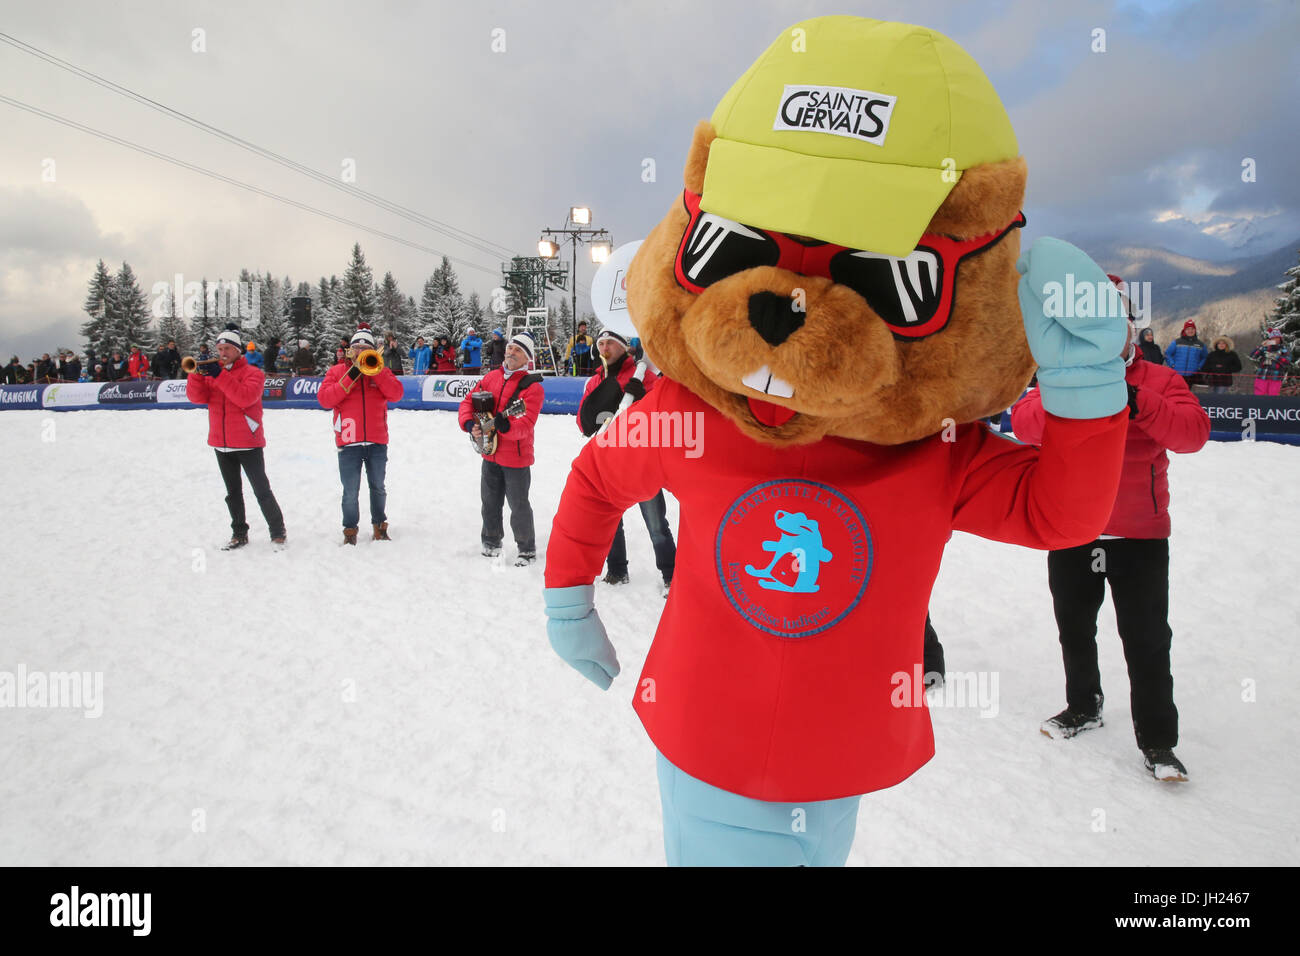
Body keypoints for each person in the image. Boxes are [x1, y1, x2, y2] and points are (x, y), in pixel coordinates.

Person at [1011, 304, 1210, 782]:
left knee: (1146, 641)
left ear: (1130, 333)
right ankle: (1084, 706)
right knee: (1075, 629)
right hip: (1073, 529)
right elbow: (1023, 425)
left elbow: (1192, 435)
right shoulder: (1062, 375)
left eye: (1114, 328)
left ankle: (1159, 743)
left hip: (1138, 534)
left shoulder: (1160, 379)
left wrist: (1137, 399)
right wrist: (1073, 390)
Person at [576, 329, 676, 592]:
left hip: (641, 462)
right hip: (607, 462)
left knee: (656, 524)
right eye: (601, 343)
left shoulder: (646, 376)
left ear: (624, 347)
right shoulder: (594, 381)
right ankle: (617, 570)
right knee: (610, 521)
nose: (604, 346)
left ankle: (671, 575)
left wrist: (640, 398)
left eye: (610, 342)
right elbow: (583, 423)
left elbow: (661, 415)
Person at [185, 324, 287, 550]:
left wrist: (219, 376)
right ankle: (239, 532)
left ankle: (277, 529)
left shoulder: (253, 373)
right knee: (232, 493)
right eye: (219, 349)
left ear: (238, 351)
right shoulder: (213, 373)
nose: (222, 353)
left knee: (261, 489)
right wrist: (195, 376)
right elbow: (196, 398)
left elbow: (244, 398)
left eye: (227, 349)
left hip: (247, 442)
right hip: (221, 443)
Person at [458, 333, 544, 566]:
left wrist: (506, 426)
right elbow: (468, 402)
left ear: (527, 358)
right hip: (489, 450)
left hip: (516, 456)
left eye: (518, 350)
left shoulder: (532, 387)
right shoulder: (490, 377)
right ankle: (491, 541)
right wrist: (470, 425)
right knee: (489, 501)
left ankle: (526, 549)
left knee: (518, 505)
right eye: (510, 347)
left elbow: (525, 426)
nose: (511, 352)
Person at [317, 322, 404, 545]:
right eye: (357, 347)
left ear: (373, 351)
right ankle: (350, 530)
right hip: (348, 442)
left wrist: (376, 373)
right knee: (350, 491)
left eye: (366, 348)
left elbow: (396, 394)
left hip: (376, 441)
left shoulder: (380, 370)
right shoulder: (337, 371)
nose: (360, 351)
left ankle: (379, 525)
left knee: (378, 487)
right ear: (350, 350)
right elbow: (325, 399)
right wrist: (351, 375)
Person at [1250, 328, 1290, 397]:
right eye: (1273, 338)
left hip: (1276, 377)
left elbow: (1287, 361)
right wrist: (1261, 346)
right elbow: (1253, 356)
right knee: (1258, 397)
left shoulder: (1284, 349)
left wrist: (1276, 357)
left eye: (1277, 338)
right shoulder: (1265, 348)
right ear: (1270, 339)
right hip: (1262, 375)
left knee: (1272, 398)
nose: (1275, 340)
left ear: (1280, 339)